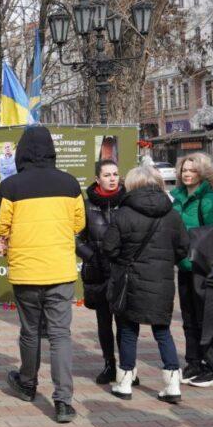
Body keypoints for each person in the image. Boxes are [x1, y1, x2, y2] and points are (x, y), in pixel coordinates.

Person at [0, 125, 85, 424]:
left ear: (20, 152)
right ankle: (64, 402)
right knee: (60, 335)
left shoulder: (11, 186)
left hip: (26, 270)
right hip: (60, 270)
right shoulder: (69, 184)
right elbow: (78, 224)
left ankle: (28, 384)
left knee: (30, 331)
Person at [102, 166, 189, 403]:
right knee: (163, 331)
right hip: (162, 281)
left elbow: (109, 248)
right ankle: (172, 385)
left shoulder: (123, 214)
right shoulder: (172, 214)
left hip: (130, 281)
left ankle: (125, 382)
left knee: (129, 331)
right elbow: (183, 248)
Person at [170, 152, 213, 388]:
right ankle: (193, 361)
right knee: (189, 317)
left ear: (203, 173)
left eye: (192, 170)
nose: (187, 174)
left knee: (205, 317)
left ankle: (212, 365)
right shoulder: (178, 196)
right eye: (184, 170)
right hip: (184, 265)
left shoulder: (210, 199)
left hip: (203, 268)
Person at [76, 159, 127, 385]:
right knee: (104, 322)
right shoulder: (86, 205)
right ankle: (109, 364)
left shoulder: (127, 202)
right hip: (97, 271)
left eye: (115, 174)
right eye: (107, 175)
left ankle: (128, 368)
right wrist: (91, 256)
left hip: (123, 271)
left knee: (126, 323)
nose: (112, 178)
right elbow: (75, 237)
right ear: (98, 179)